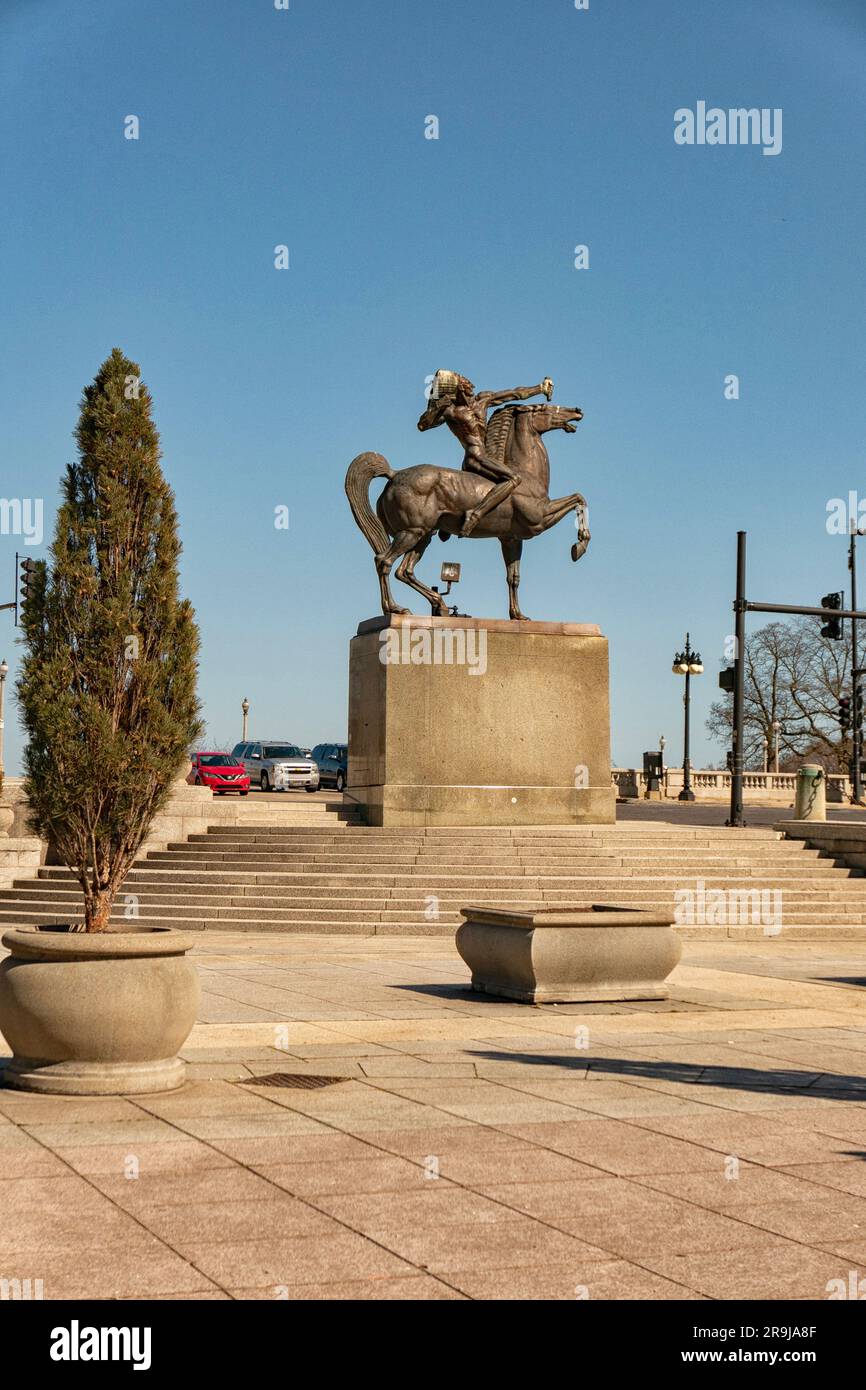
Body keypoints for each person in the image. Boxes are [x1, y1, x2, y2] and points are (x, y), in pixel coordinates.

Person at [417, 371, 553, 535]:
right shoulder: (450, 411)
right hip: (475, 458)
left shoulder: (483, 399)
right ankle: (475, 515)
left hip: (488, 458)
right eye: (464, 380)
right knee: (514, 478)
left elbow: (514, 393)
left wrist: (540, 388)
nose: (469, 383)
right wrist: (438, 405)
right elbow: (423, 425)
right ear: (457, 387)